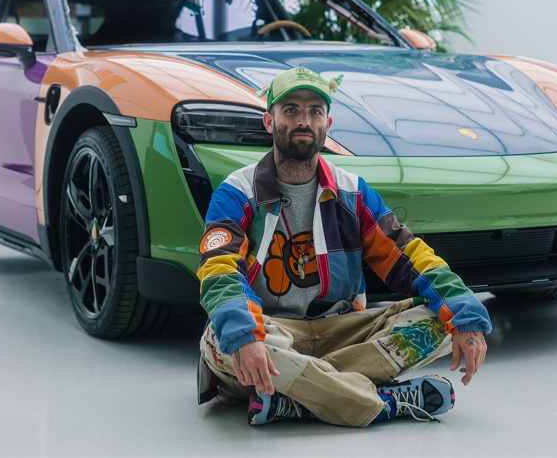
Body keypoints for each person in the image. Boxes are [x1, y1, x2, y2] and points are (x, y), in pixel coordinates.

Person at [196, 66, 491, 427]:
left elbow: (410, 256)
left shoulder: (353, 192)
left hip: (341, 332)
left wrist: (467, 316)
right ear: (269, 122)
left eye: (314, 111)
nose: (304, 120)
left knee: (443, 321)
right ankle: (384, 402)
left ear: (327, 123)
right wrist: (245, 334)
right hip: (271, 332)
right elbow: (218, 270)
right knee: (220, 335)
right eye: (291, 110)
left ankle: (297, 397)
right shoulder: (237, 191)